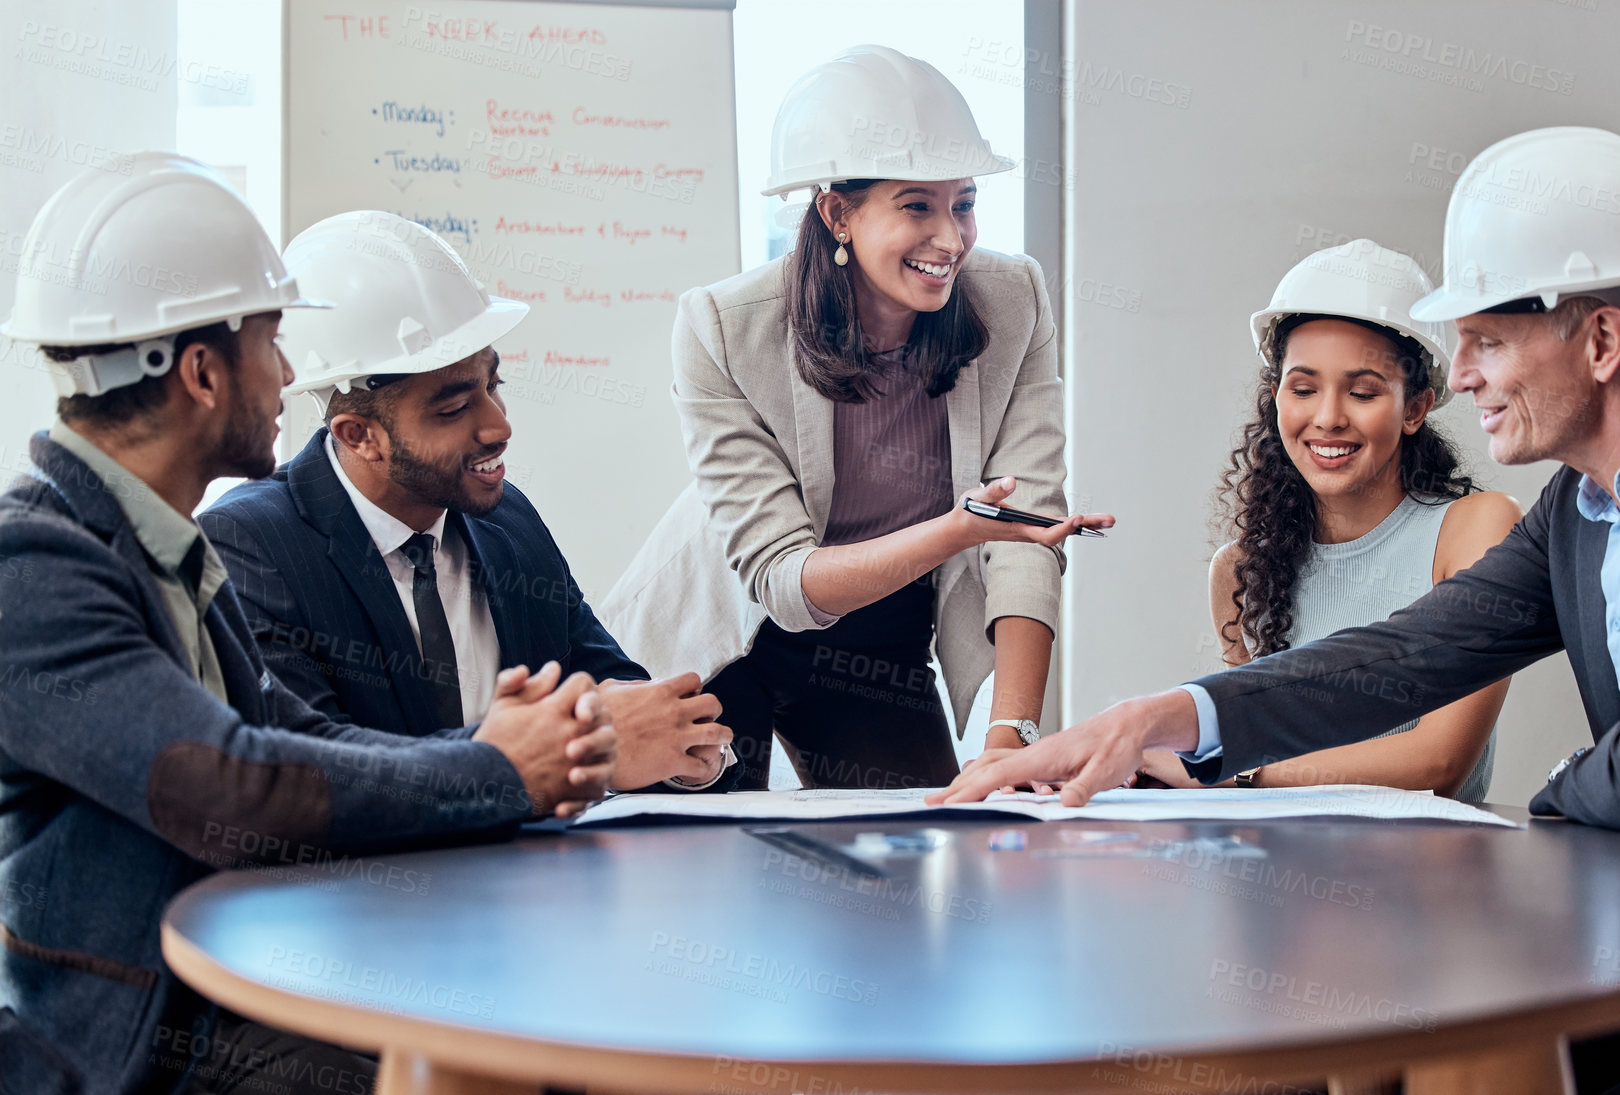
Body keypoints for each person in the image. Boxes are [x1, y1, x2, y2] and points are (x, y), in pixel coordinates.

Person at [931, 127, 1620, 1094]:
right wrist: (1155, 719)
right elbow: (1402, 657)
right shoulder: (1582, 501)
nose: (1466, 374)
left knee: (1446, 1010)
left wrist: (1492, 858)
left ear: (1601, 338)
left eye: (1484, 339)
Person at [0, 154, 617, 1095]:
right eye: (273, 341)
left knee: (548, 1037)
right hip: (146, 1043)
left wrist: (502, 750)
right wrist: (497, 768)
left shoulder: (151, 535)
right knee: (498, 1057)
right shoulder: (34, 566)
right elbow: (227, 786)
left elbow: (290, 731)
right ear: (203, 373)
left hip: (244, 980)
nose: (290, 374)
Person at [605, 45, 1111, 791]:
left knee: (903, 865)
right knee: (701, 868)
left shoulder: (1014, 299)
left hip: (880, 626)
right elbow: (782, 579)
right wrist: (960, 529)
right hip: (724, 630)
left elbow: (1029, 529)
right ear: (837, 212)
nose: (951, 238)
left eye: (963, 203)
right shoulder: (721, 325)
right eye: (916, 205)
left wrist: (1013, 734)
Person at [200, 211, 734, 792]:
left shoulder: (508, 521)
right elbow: (315, 771)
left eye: (492, 386)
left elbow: (606, 682)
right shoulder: (248, 546)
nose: (498, 425)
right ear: (359, 435)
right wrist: (564, 750)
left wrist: (676, 742)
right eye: (453, 409)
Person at [1137, 239, 1519, 800]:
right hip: (1283, 871)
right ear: (1276, 399)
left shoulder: (1475, 529)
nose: (1328, 418)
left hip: (1432, 878)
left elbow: (1438, 764)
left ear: (1415, 408)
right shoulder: (1241, 571)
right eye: (1304, 389)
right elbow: (1250, 744)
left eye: (1363, 392)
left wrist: (1228, 767)